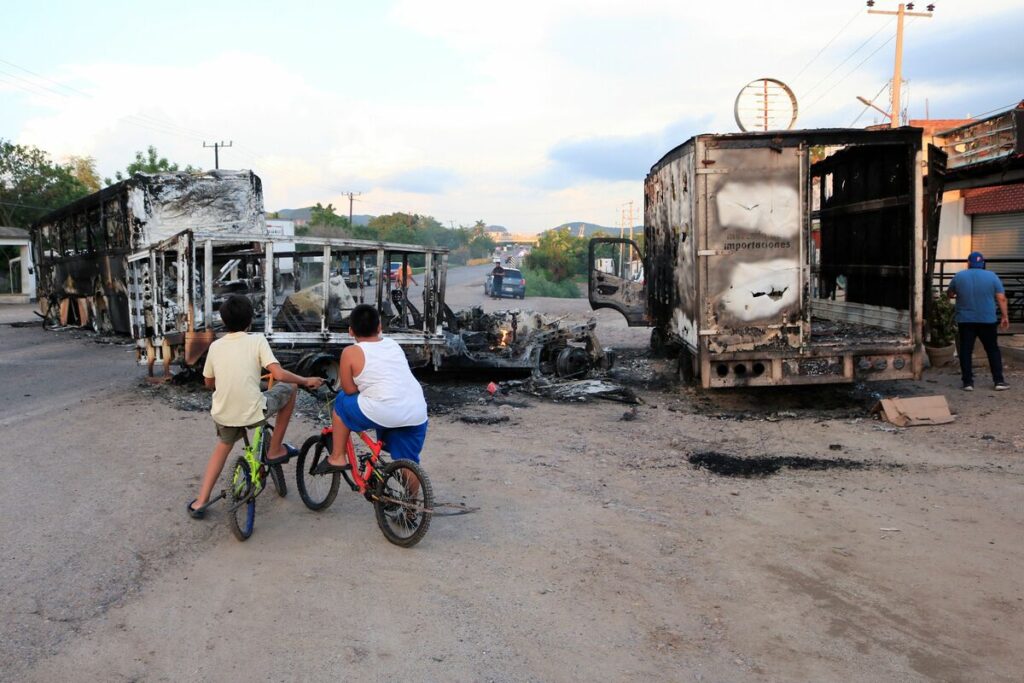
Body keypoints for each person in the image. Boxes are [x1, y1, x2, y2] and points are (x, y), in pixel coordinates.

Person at [188, 294, 323, 518]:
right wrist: (305, 380)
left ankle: (200, 502)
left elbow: (209, 382)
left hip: (223, 414)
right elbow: (279, 374)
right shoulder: (257, 340)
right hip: (253, 411)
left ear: (223, 321)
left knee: (222, 449)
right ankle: (275, 448)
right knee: (289, 389)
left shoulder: (215, 346)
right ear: (250, 320)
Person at [314, 304, 428, 473]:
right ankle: (411, 500)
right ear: (379, 327)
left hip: (384, 410)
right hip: (416, 411)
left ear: (351, 331)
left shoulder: (350, 352)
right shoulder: (393, 344)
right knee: (409, 463)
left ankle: (337, 457)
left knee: (341, 401)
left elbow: (349, 389)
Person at [947, 251, 1010, 391]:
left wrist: (959, 293)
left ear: (968, 263)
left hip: (965, 320)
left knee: (965, 350)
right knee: (992, 349)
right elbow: (1001, 298)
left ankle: (968, 382)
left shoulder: (959, 276)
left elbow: (950, 293)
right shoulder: (992, 276)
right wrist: (1005, 316)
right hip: (987, 319)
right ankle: (999, 381)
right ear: (983, 263)